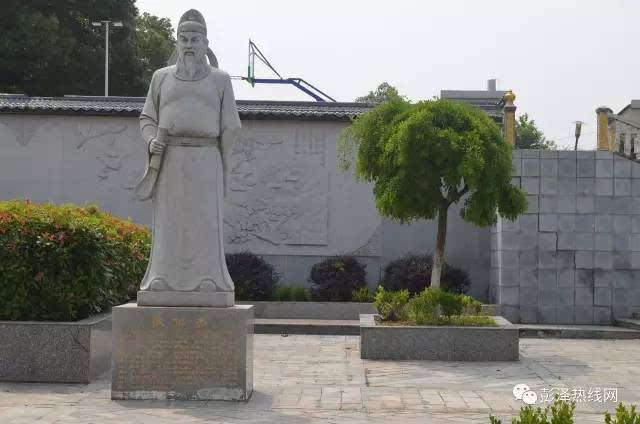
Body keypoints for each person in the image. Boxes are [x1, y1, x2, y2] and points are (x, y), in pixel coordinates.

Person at [137, 9, 241, 306]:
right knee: (168, 221)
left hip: (207, 159)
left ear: (205, 42)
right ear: (177, 41)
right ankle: (161, 277)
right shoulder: (161, 78)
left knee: (205, 222)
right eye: (184, 38)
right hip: (169, 160)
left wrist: (224, 162)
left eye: (195, 38)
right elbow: (147, 117)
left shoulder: (220, 81)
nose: (189, 44)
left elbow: (231, 125)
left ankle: (209, 279)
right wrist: (152, 140)